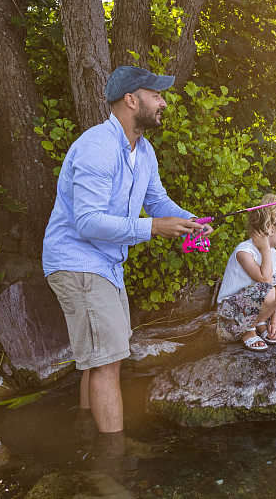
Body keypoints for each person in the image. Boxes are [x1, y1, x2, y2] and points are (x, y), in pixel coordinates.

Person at [42, 66, 213, 447]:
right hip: (77, 261)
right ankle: (115, 459)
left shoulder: (144, 150)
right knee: (108, 361)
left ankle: (87, 436)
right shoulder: (97, 146)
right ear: (131, 100)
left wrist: (189, 221)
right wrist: (153, 227)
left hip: (104, 265)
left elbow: (156, 200)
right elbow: (87, 221)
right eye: (156, 95)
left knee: (98, 358)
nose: (163, 102)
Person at [216, 194, 276, 351]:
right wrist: (264, 247)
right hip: (231, 317)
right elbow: (264, 281)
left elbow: (275, 291)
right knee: (268, 290)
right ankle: (247, 331)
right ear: (271, 229)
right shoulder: (244, 251)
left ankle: (260, 323)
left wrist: (274, 323)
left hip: (250, 313)